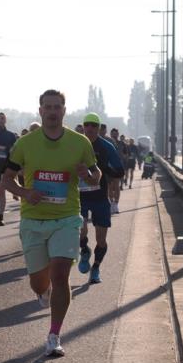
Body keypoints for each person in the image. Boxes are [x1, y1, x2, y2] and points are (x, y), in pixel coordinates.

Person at [0, 90, 100, 357]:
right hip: (33, 220)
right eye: (48, 107)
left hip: (66, 219)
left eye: (57, 107)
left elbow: (96, 175)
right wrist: (25, 193)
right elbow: (6, 179)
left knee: (60, 275)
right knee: (38, 283)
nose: (53, 111)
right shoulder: (25, 144)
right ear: (41, 110)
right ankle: (44, 293)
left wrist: (88, 174)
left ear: (64, 111)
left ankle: (54, 335)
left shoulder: (80, 142)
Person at [77, 114, 125, 285]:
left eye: (93, 125)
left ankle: (96, 267)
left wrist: (102, 169)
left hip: (100, 196)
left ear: (99, 128)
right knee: (80, 232)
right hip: (80, 196)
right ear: (83, 126)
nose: (90, 128)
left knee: (101, 239)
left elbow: (120, 171)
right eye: (87, 125)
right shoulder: (76, 144)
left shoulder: (106, 146)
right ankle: (84, 250)